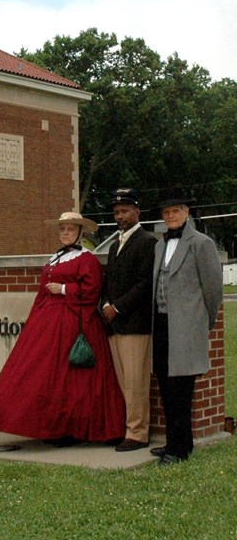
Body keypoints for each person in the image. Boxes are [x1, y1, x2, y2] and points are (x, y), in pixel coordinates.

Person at [0, 212, 125, 445]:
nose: (65, 233)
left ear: (80, 233)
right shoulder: (54, 259)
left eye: (70, 229)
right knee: (42, 374)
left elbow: (92, 291)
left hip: (74, 322)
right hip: (47, 322)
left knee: (73, 380)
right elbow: (42, 292)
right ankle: (51, 426)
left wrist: (65, 289)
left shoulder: (86, 258)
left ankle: (73, 429)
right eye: (62, 229)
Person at [151, 187, 223, 465]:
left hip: (187, 328)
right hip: (162, 325)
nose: (171, 216)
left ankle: (179, 450)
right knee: (166, 388)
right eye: (166, 212)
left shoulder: (201, 243)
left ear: (186, 213)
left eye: (176, 211)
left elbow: (213, 289)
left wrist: (205, 321)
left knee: (182, 390)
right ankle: (174, 442)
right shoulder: (159, 245)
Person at [101, 188, 157, 452]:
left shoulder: (148, 242)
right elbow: (109, 283)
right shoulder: (114, 245)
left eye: (124, 211)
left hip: (135, 324)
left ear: (137, 212)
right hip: (115, 326)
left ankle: (138, 433)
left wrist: (118, 308)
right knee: (124, 382)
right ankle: (128, 428)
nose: (120, 216)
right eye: (116, 212)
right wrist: (105, 305)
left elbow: (146, 283)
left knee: (136, 382)